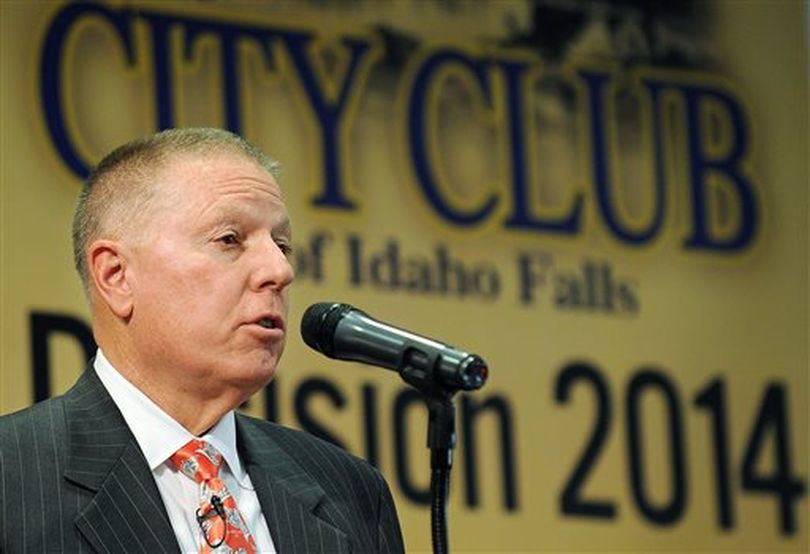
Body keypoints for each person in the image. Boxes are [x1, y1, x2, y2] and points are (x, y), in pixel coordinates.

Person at [0, 128, 405, 553]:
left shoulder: (351, 492)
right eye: (229, 239)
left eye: (282, 244)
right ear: (116, 275)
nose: (280, 270)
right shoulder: (14, 479)